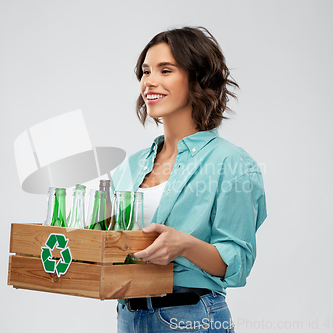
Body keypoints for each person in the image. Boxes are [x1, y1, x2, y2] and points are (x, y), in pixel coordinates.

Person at [111, 26, 267, 333]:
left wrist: (183, 245)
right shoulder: (130, 166)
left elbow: (237, 264)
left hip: (190, 318)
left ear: (197, 78)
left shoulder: (230, 163)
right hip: (129, 315)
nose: (149, 82)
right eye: (145, 71)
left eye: (165, 70)